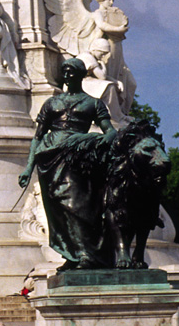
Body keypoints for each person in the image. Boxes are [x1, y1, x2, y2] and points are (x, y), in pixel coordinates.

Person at [19, 56, 116, 270]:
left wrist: (93, 140)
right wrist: (28, 167)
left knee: (78, 205)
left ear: (81, 74)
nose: (67, 74)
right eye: (64, 71)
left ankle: (87, 254)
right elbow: (38, 136)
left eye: (72, 71)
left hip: (77, 159)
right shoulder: (51, 103)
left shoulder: (93, 103)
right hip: (49, 160)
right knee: (58, 209)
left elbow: (110, 132)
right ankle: (73, 255)